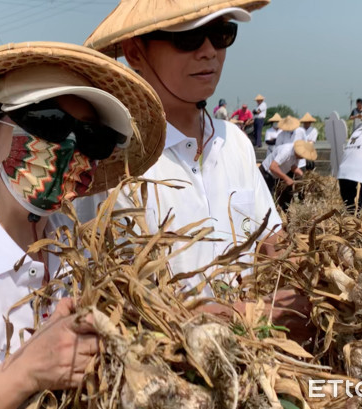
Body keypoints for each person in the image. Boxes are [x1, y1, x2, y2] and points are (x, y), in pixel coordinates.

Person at [0, 42, 166, 408]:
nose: (69, 147)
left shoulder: (79, 258)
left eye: (91, 138)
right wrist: (27, 371)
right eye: (49, 122)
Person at [82, 1, 314, 339]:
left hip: (256, 357)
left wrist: (318, 276)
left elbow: (272, 238)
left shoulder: (234, 142)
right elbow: (116, 302)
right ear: (135, 52)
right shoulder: (111, 162)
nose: (208, 52)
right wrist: (250, 314)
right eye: (188, 37)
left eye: (221, 34)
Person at [259, 139, 317, 211]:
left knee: (284, 197)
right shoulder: (286, 151)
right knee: (268, 200)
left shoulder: (296, 156)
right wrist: (286, 178)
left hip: (277, 175)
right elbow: (273, 167)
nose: (303, 158)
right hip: (266, 174)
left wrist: (304, 176)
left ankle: (283, 213)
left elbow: (293, 167)